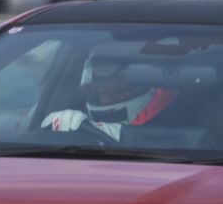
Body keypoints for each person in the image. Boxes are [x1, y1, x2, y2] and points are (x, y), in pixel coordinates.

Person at [40, 54, 176, 140]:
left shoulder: (180, 127)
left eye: (119, 91)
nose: (106, 100)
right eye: (102, 93)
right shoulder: (76, 122)